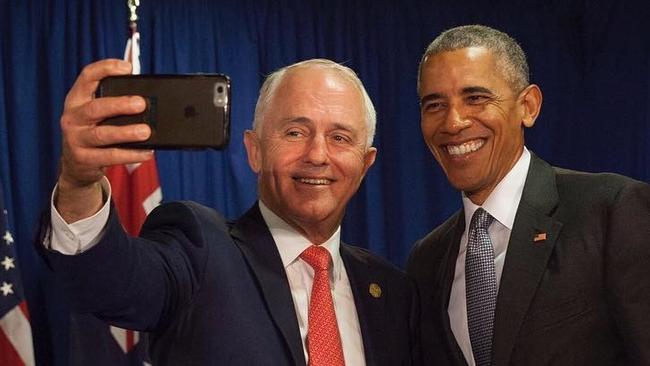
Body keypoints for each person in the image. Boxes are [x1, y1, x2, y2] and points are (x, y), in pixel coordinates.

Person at [38, 58, 420, 365]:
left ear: (365, 164)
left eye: (339, 138)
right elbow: (110, 285)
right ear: (254, 150)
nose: (318, 155)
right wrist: (78, 183)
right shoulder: (198, 248)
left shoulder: (392, 292)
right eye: (295, 132)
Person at [406, 24, 650, 366]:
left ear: (528, 106)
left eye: (475, 97)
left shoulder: (612, 210)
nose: (453, 122)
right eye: (434, 105)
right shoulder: (426, 259)